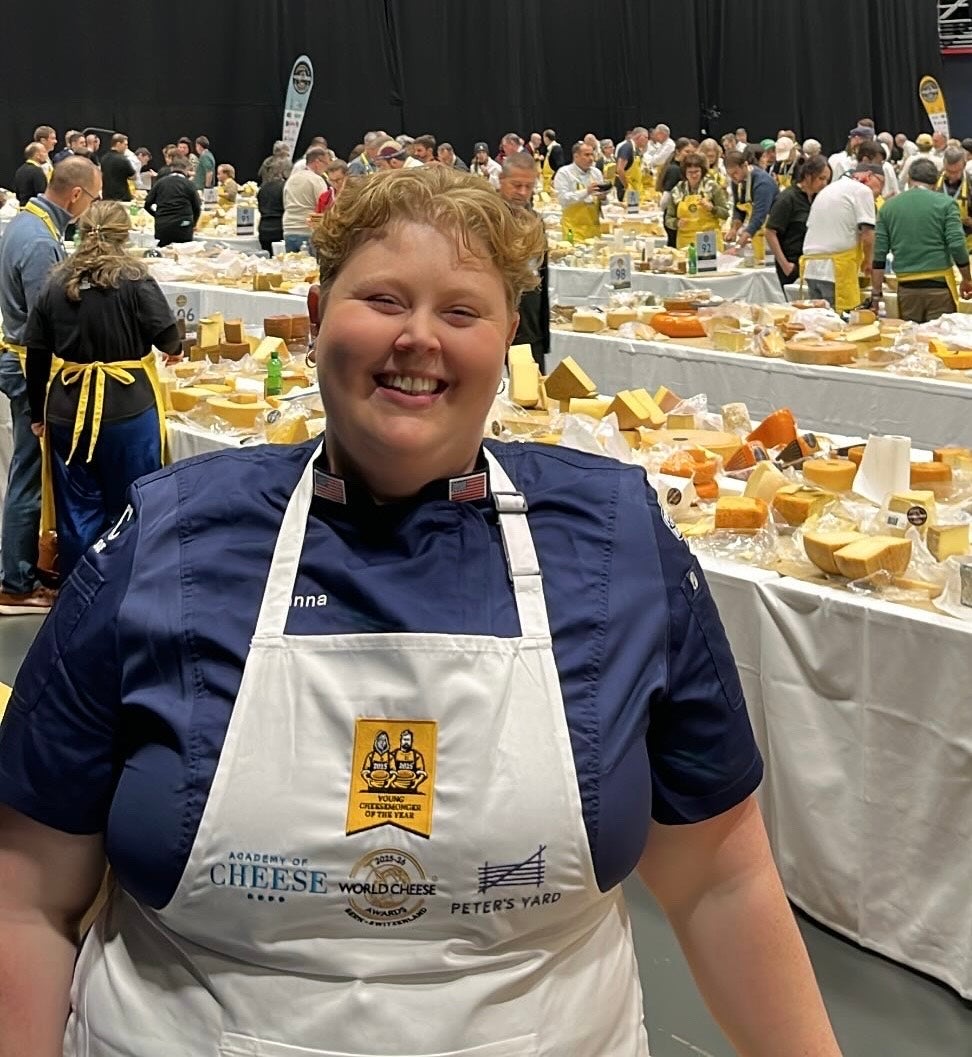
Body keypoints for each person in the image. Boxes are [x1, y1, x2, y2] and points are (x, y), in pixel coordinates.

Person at [0, 162, 843, 1057]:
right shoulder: (170, 540)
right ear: (318, 317)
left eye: (461, 311)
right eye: (384, 299)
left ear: (510, 335)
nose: (418, 340)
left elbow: (720, 878)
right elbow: (27, 892)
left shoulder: (613, 545)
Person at [23, 201, 179, 577]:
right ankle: (128, 592)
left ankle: (81, 596)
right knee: (131, 505)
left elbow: (37, 355)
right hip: (128, 410)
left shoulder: (55, 282)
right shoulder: (136, 279)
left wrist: (37, 414)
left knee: (76, 510)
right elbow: (170, 341)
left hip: (65, 410)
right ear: (124, 236)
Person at [0, 156, 102, 613]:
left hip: (18, 354)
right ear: (77, 194)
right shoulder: (40, 241)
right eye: (95, 197)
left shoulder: (26, 224)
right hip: (29, 367)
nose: (94, 206)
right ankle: (16, 582)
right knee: (29, 472)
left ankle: (22, 567)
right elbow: (50, 321)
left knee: (30, 468)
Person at [873, 157, 972, 323]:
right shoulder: (946, 204)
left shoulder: (888, 207)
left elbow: (879, 255)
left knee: (911, 340)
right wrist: (966, 279)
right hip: (939, 286)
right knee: (939, 341)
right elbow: (956, 244)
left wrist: (876, 295)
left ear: (910, 179)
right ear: (935, 181)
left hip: (905, 287)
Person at [800, 162, 883, 309]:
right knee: (840, 326)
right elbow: (868, 234)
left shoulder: (828, 190)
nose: (880, 191)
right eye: (881, 182)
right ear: (868, 176)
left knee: (820, 324)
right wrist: (869, 261)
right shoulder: (862, 191)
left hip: (811, 268)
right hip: (835, 270)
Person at [498, 152, 548, 369]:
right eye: (516, 185)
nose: (522, 192)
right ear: (501, 180)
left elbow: (542, 276)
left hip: (530, 322)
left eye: (529, 187)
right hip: (495, 314)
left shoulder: (537, 221)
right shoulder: (485, 216)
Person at [765, 154, 832, 290]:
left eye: (827, 180)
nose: (824, 184)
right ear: (808, 176)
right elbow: (770, 232)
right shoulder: (787, 198)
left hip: (814, 265)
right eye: (821, 178)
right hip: (792, 264)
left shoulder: (819, 198)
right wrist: (785, 264)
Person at [663, 152, 729, 251]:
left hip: (709, 240)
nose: (693, 175)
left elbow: (725, 214)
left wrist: (712, 208)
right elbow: (668, 219)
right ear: (685, 172)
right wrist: (676, 223)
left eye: (696, 171)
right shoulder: (677, 190)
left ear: (702, 171)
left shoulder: (712, 187)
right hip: (685, 242)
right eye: (690, 172)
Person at [725, 149, 778, 260]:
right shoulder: (737, 182)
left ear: (745, 165)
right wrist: (733, 229)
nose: (733, 177)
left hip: (773, 230)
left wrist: (738, 246)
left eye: (735, 173)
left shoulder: (763, 183)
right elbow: (739, 207)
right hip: (756, 232)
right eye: (730, 175)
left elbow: (759, 216)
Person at [553, 140, 606, 241]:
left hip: (593, 229)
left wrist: (603, 197)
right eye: (586, 155)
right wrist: (586, 191)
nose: (591, 158)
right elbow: (563, 199)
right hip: (573, 228)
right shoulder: (564, 173)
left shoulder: (596, 173)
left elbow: (602, 201)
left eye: (592, 154)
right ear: (576, 156)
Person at [143, 156, 200, 247]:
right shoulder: (189, 184)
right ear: (186, 169)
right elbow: (197, 207)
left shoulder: (160, 183)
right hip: (183, 225)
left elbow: (147, 204)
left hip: (163, 226)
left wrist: (157, 215)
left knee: (163, 255)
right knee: (184, 255)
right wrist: (193, 223)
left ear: (171, 168)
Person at [282, 146, 329, 252]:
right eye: (326, 164)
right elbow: (323, 207)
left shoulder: (291, 179)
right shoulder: (317, 180)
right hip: (307, 231)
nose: (326, 168)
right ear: (317, 162)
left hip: (288, 229)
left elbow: (285, 204)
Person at [936, 146, 972, 252]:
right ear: (944, 164)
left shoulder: (970, 183)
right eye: (949, 171)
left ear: (964, 166)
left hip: (967, 245)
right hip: (940, 244)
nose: (952, 175)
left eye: (956, 172)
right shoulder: (934, 181)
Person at [256, 158, 288, 254]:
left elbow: (260, 208)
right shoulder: (285, 187)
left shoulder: (262, 188)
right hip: (279, 228)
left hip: (264, 229)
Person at [614, 126, 649, 203]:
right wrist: (627, 186)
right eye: (646, 137)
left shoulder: (636, 150)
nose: (647, 140)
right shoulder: (627, 147)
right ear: (637, 136)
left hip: (634, 187)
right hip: (627, 189)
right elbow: (619, 169)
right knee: (630, 213)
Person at [100, 133, 136, 201]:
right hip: (121, 197)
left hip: (107, 196)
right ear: (118, 144)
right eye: (125, 144)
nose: (126, 147)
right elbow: (133, 177)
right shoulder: (123, 159)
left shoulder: (103, 158)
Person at [540, 129, 566, 193]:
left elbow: (560, 165)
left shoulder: (556, 149)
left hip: (552, 182)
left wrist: (554, 178)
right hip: (547, 181)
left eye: (543, 137)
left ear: (546, 138)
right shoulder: (550, 148)